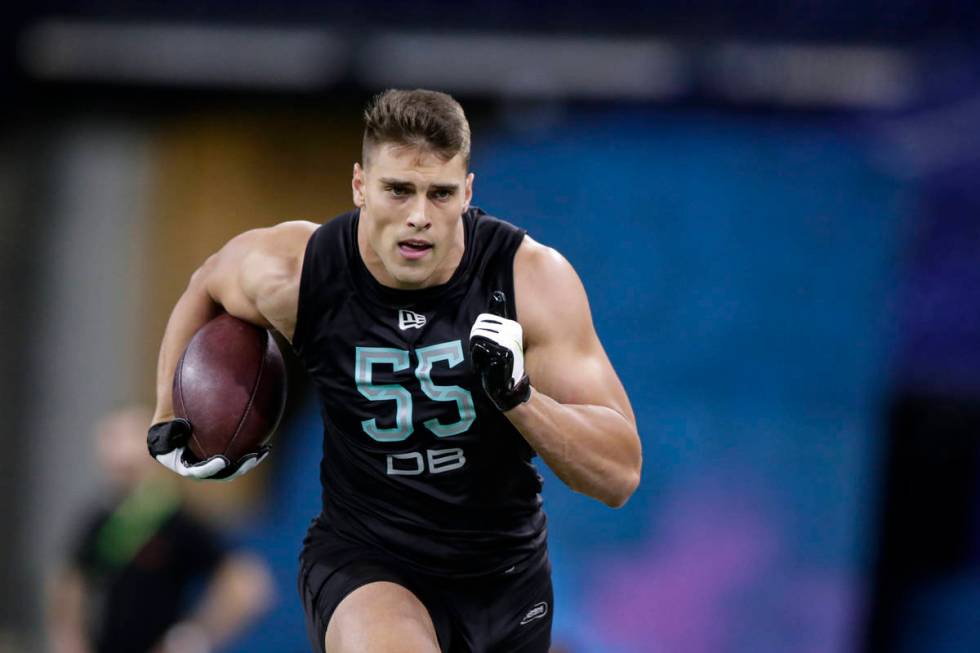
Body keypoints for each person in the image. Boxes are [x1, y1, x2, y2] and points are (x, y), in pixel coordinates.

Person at [147, 89, 642, 653]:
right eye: (398, 190)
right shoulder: (299, 272)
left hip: (502, 575)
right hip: (367, 558)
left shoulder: (528, 280)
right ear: (360, 186)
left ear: (468, 192)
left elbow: (619, 474)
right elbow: (206, 284)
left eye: (440, 194)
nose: (418, 217)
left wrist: (520, 397)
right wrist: (170, 411)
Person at [49, 405, 274, 653]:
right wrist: (70, 640)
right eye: (110, 438)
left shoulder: (177, 519)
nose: (115, 451)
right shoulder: (99, 520)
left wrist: (191, 638)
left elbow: (247, 586)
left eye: (125, 437)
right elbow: (70, 583)